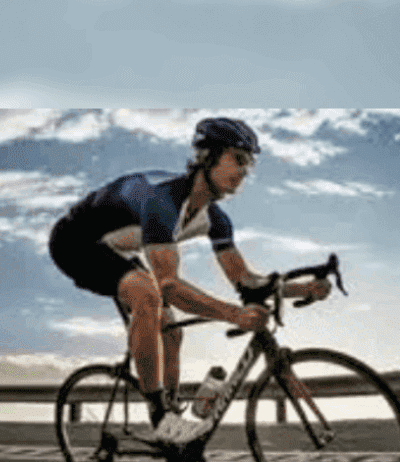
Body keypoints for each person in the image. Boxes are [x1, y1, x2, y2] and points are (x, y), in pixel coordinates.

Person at [49, 117, 332, 444]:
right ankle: (159, 415)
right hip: (75, 242)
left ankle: (171, 417)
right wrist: (235, 315)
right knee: (148, 294)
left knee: (172, 332)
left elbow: (246, 281)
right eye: (238, 159)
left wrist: (301, 287)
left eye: (249, 164)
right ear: (208, 156)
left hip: (118, 248)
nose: (244, 171)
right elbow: (169, 285)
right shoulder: (163, 201)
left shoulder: (216, 219)